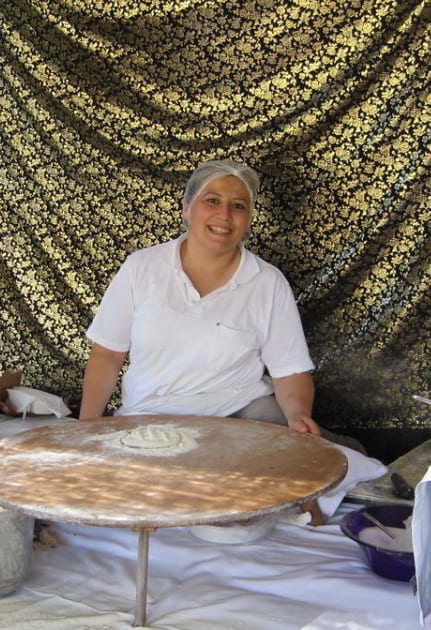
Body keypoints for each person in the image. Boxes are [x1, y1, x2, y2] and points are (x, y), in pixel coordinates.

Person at [79, 158, 321, 435]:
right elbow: (108, 355)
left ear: (249, 219)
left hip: (242, 414)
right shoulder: (141, 268)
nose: (224, 215)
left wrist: (298, 415)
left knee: (342, 459)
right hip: (149, 417)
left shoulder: (268, 282)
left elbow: (290, 370)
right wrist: (85, 429)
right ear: (187, 208)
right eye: (212, 201)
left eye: (238, 206)